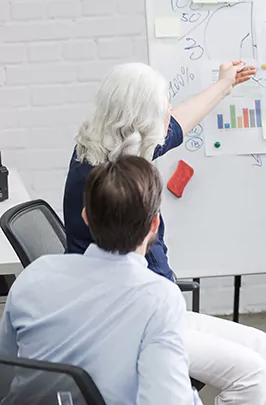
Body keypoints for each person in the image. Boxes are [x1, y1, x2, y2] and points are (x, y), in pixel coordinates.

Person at [63, 62, 266, 405]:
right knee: (250, 374)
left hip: (156, 307)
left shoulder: (115, 151)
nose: (169, 114)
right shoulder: (110, 185)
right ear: (138, 123)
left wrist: (224, 85)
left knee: (263, 347)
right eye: (162, 110)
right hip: (133, 323)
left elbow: (177, 125)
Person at [0, 156, 198, 405]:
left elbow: (5, 374)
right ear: (154, 225)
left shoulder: (33, 276)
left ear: (86, 217)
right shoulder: (160, 299)